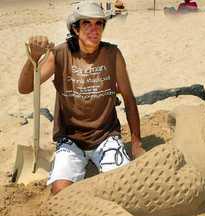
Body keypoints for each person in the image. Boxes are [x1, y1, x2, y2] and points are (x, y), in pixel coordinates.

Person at [18, 1, 145, 194]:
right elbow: (25, 88)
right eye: (87, 23)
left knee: (123, 188)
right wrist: (33, 60)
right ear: (75, 29)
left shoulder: (112, 54)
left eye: (99, 24)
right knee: (60, 191)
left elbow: (128, 98)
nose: (94, 29)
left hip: (106, 136)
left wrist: (136, 143)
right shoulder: (60, 54)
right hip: (70, 139)